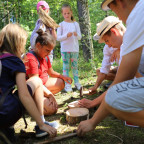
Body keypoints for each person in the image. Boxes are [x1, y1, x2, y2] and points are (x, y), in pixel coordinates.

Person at [77, 0, 144, 137]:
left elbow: (121, 81)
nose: (119, 17)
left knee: (114, 97)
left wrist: (93, 120)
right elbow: (109, 71)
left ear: (120, 2)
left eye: (115, 11)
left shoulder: (137, 16)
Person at [0, 23, 57, 143]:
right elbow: (24, 95)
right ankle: (40, 125)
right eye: (23, 43)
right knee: (36, 80)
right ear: (17, 43)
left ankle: (6, 130)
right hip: (5, 114)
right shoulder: (15, 61)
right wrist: (42, 124)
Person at [78, 16, 126, 108]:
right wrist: (95, 86)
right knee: (99, 71)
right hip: (124, 73)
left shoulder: (133, 41)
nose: (108, 44)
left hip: (134, 78)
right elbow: (104, 68)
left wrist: (93, 102)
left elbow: (122, 80)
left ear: (114, 32)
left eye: (107, 40)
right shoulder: (109, 47)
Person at [25, 29, 72, 115]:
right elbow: (35, 83)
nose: (49, 53)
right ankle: (30, 104)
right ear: (38, 45)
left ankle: (42, 99)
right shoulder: (31, 58)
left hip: (43, 85)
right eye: (47, 50)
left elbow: (51, 72)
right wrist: (50, 95)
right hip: (34, 89)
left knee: (61, 82)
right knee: (52, 109)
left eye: (50, 51)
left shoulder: (45, 57)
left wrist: (63, 77)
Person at [57, 4, 82, 92]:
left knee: (75, 67)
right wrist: (66, 35)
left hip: (74, 49)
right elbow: (58, 38)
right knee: (66, 67)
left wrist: (76, 35)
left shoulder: (76, 24)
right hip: (65, 49)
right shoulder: (61, 25)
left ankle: (77, 83)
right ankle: (67, 84)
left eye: (68, 13)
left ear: (71, 13)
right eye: (65, 14)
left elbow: (80, 37)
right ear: (62, 14)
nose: (67, 15)